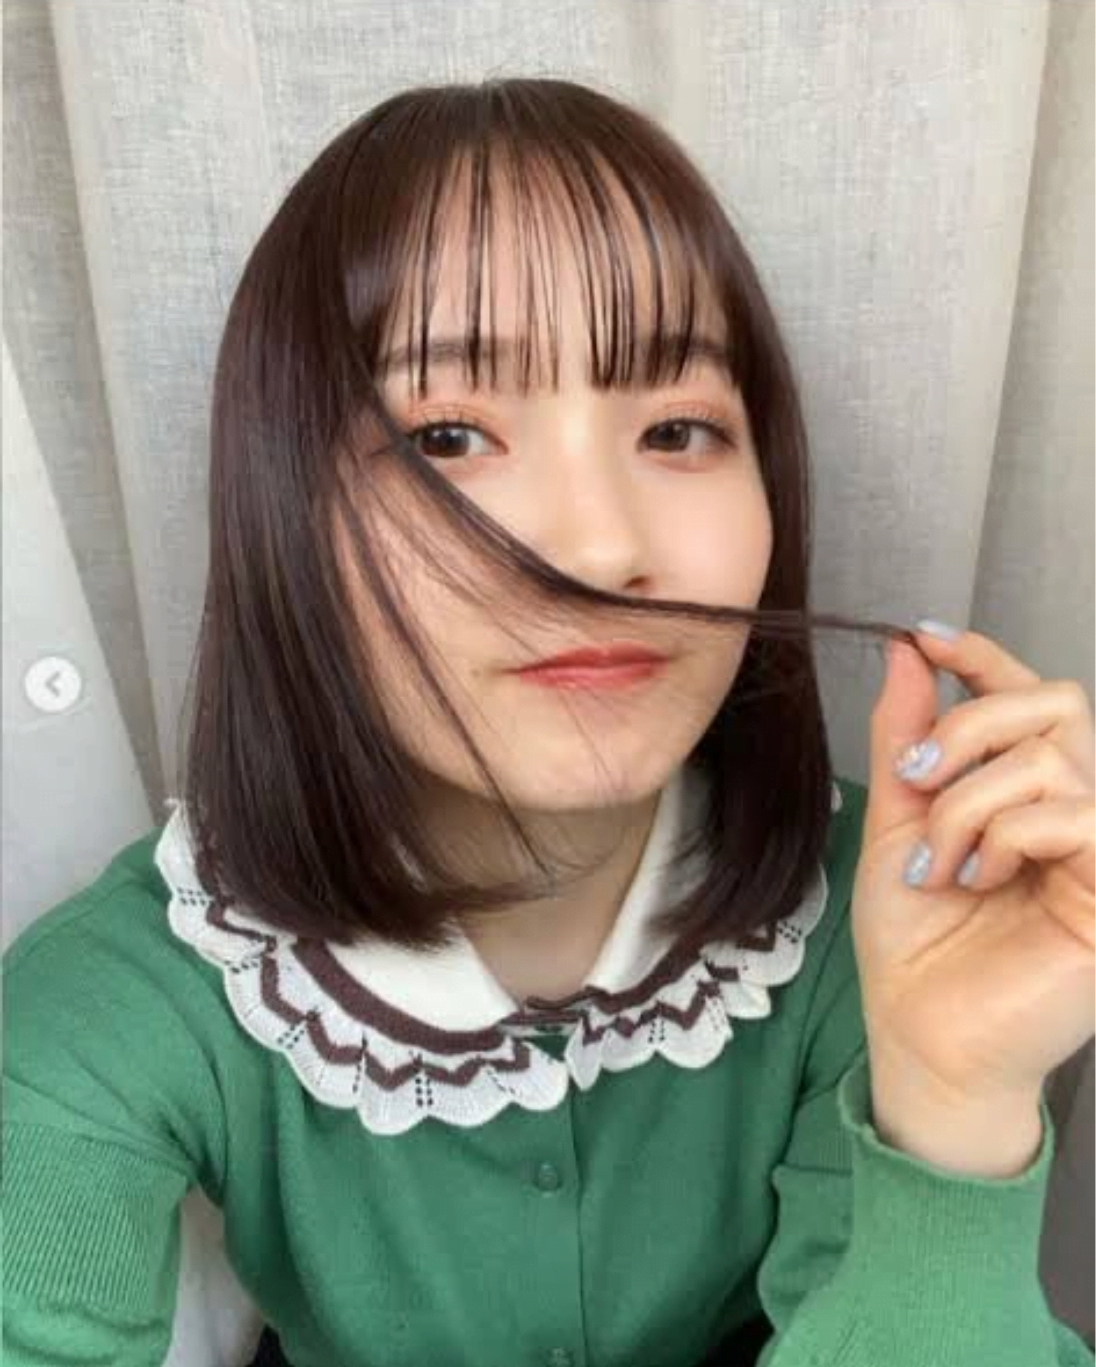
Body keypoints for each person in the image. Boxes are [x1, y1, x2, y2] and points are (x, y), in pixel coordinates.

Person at [4, 77, 1095, 1367]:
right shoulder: (115, 1003)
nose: (598, 547)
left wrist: (955, 1105)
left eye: (678, 428)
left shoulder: (898, 911)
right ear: (283, 515)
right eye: (448, 437)